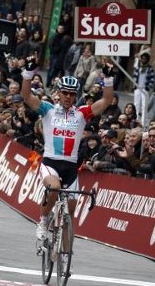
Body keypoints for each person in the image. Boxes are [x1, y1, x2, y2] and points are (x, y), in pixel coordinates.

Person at [21, 56, 114, 241]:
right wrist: (28, 73)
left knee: (70, 212)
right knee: (54, 189)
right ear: (59, 93)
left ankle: (65, 260)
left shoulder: (81, 113)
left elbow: (107, 100)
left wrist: (109, 78)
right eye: (65, 93)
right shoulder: (48, 109)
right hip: (51, 163)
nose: (68, 97)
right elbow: (26, 95)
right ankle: (43, 220)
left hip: (71, 166)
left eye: (72, 94)